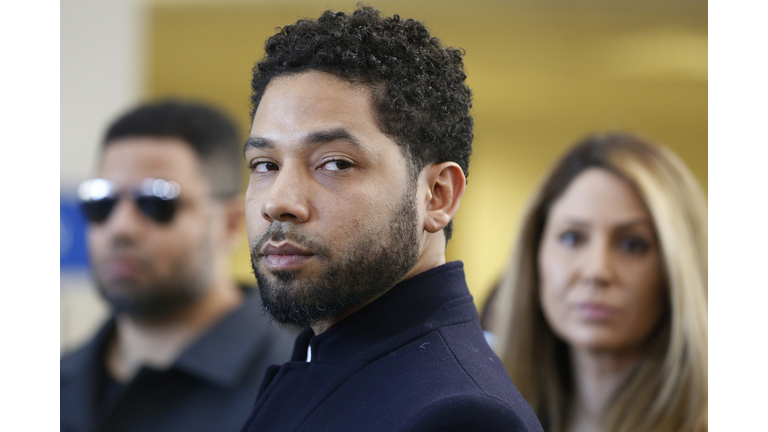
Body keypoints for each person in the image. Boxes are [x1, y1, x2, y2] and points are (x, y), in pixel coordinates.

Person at [238, 6, 543, 432]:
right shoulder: (326, 356)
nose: (279, 202)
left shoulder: (461, 416)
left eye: (336, 163)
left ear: (437, 195)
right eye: (265, 165)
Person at [60, 100, 296, 432]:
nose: (120, 228)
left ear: (229, 223)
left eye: (156, 201)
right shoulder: (59, 381)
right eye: (102, 202)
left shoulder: (295, 384)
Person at [487, 132, 708, 432]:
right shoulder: (488, 418)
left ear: (677, 270)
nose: (596, 271)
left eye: (632, 244)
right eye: (572, 238)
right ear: (534, 256)